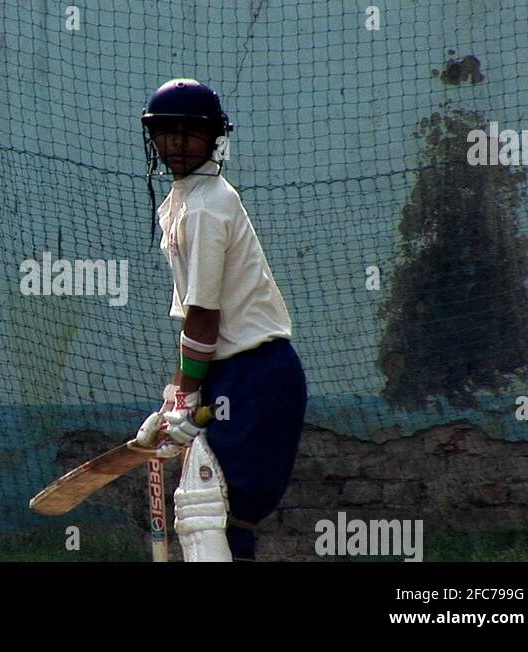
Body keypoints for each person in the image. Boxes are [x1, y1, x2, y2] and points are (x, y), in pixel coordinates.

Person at [135, 78, 308, 561]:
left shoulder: (209, 205)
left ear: (213, 138)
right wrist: (176, 398)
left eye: (188, 133)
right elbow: (193, 321)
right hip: (228, 371)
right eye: (165, 133)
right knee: (199, 510)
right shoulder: (180, 202)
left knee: (225, 514)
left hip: (258, 372)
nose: (175, 144)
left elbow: (206, 317)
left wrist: (187, 395)